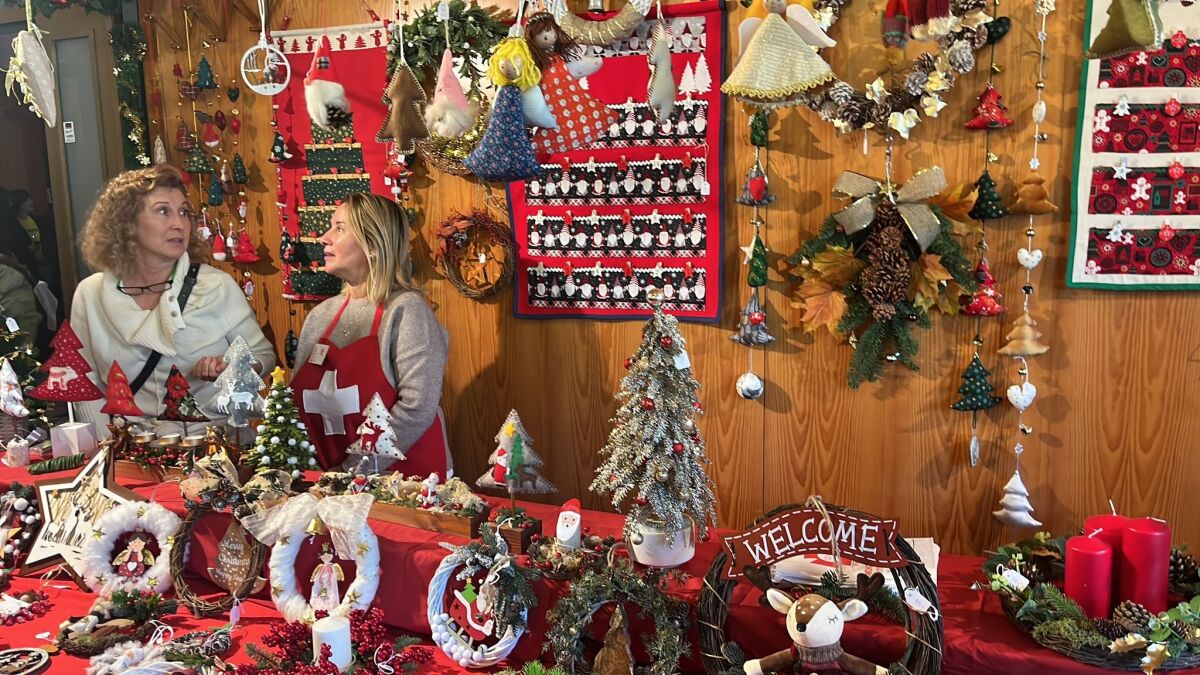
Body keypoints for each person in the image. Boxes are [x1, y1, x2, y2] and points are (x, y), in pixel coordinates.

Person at [72, 165, 275, 434]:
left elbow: (263, 356)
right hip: (129, 448)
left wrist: (231, 366)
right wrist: (104, 445)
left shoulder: (215, 286)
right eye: (163, 211)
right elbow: (84, 380)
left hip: (214, 447)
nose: (179, 224)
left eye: (183, 212)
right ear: (128, 223)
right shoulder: (91, 294)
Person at [293, 192, 450, 476]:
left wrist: (351, 470)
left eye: (339, 228)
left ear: (374, 245)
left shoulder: (407, 310)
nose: (324, 238)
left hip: (401, 485)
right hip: (327, 482)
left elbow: (417, 408)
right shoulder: (320, 316)